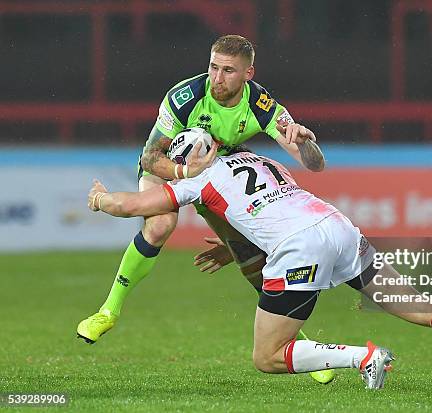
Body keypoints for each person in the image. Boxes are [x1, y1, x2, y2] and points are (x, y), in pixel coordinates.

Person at [86, 145, 432, 391]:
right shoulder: (260, 160)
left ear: (188, 161)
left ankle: (363, 358)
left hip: (299, 247)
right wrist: (234, 248)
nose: (175, 170)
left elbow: (134, 206)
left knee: (268, 357)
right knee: (418, 306)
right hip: (337, 225)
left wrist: (102, 200)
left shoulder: (199, 180)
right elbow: (265, 206)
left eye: (176, 163)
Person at [76, 34, 335, 384]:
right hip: (170, 166)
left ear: (248, 73)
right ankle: (108, 311)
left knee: (248, 256)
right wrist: (185, 172)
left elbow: (313, 164)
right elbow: (150, 157)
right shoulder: (185, 97)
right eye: (213, 67)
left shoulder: (261, 104)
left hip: (218, 171)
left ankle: (292, 343)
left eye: (228, 70)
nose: (217, 77)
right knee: (158, 227)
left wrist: (307, 145)